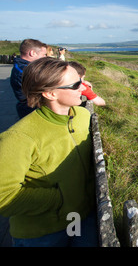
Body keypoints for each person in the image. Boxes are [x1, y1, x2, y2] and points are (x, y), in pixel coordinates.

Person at [0, 57, 97, 247]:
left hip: (78, 218)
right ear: (50, 93)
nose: (84, 87)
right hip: (41, 233)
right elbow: (3, 195)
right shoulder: (18, 138)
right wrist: (59, 198)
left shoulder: (83, 116)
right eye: (76, 84)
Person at [10, 39, 48, 118]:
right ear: (32, 53)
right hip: (31, 108)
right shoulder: (24, 71)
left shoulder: (23, 67)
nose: (45, 57)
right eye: (43, 54)